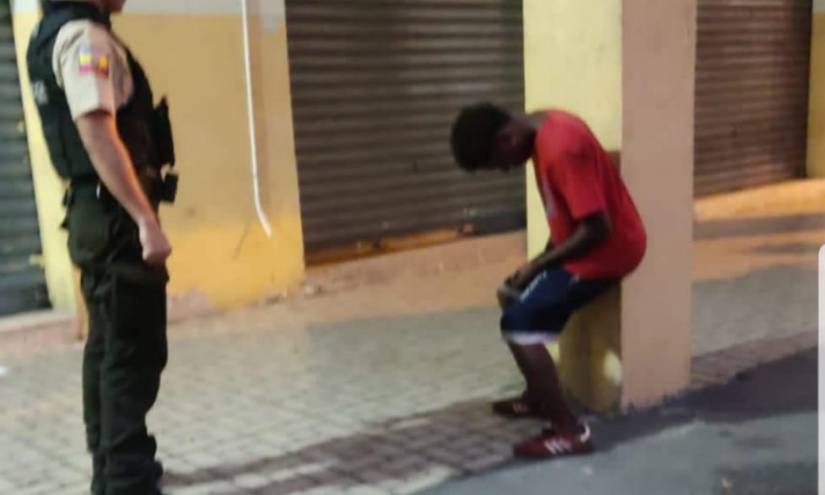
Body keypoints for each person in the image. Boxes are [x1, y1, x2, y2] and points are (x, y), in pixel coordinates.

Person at [27, 1, 178, 492]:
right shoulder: (84, 38)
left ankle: (110, 466)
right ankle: (127, 478)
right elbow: (96, 131)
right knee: (132, 348)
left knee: (108, 342)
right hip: (114, 217)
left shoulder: (51, 35)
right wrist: (144, 219)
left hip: (94, 212)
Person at [450, 104, 646, 460]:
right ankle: (539, 397)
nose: (506, 170)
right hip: (584, 249)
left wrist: (538, 265)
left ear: (507, 138)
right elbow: (568, 218)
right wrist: (534, 266)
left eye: (500, 163)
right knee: (510, 294)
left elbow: (597, 229)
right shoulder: (542, 126)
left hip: (608, 252)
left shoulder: (561, 148)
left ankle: (569, 431)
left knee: (518, 326)